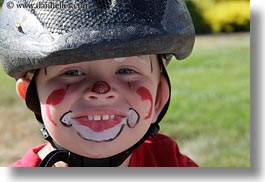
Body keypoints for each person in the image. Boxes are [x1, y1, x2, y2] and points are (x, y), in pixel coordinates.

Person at [0, 0, 198, 167]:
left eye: (127, 71)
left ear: (159, 98)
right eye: (72, 72)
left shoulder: (169, 163)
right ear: (30, 96)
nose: (101, 90)